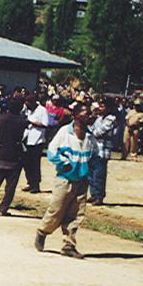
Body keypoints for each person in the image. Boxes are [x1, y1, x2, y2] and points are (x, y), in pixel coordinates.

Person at [34, 102, 95, 259]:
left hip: (82, 180)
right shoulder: (64, 132)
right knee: (57, 209)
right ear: (75, 116)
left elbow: (93, 154)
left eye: (89, 113)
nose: (89, 116)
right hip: (65, 179)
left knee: (76, 213)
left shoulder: (89, 135)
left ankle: (69, 244)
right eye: (85, 113)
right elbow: (52, 151)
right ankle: (43, 231)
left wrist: (88, 170)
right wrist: (64, 163)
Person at [88, 98, 117, 205]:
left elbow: (99, 132)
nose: (100, 108)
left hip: (103, 150)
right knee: (91, 173)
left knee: (99, 174)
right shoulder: (99, 118)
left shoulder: (111, 119)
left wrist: (91, 131)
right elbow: (91, 128)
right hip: (93, 148)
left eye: (102, 106)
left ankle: (99, 196)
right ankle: (93, 194)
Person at [22, 92, 48, 193]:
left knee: (35, 164)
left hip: (37, 140)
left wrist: (32, 122)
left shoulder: (42, 110)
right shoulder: (28, 110)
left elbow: (45, 124)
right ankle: (30, 182)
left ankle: (36, 185)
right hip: (27, 138)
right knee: (26, 163)